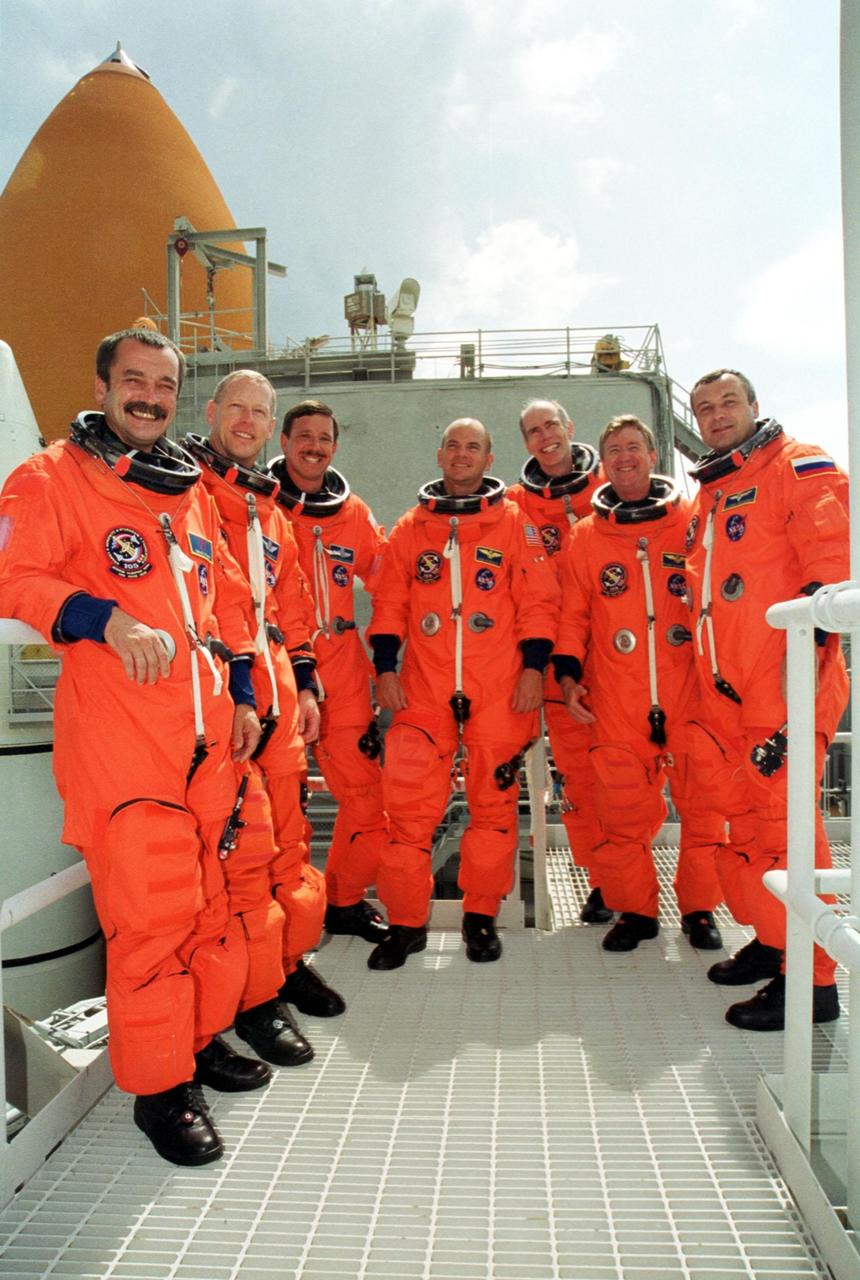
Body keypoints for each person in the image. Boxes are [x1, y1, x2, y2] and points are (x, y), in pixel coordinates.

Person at [0, 329, 273, 1167]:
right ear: (102, 382)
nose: (149, 395)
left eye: (163, 383)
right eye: (134, 380)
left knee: (214, 905)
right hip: (126, 749)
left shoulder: (185, 496)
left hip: (205, 744)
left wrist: (244, 693)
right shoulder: (51, 478)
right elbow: (13, 577)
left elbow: (227, 604)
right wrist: (101, 616)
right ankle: (160, 1090)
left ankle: (197, 1037)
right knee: (153, 917)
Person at [187, 371, 346, 1071]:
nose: (247, 421)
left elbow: (290, 608)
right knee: (237, 862)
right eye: (237, 409)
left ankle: (284, 964)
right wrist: (246, 690)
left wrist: (305, 684)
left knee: (289, 845)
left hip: (280, 702)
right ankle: (250, 1001)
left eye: (260, 411)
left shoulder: (269, 511)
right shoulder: (185, 493)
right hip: (223, 702)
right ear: (212, 412)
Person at [685, 369, 849, 1030]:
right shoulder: (714, 494)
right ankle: (779, 945)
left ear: (755, 406)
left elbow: (829, 573)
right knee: (749, 831)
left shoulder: (798, 466)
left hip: (783, 688)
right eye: (704, 408)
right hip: (730, 695)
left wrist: (796, 687)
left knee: (787, 834)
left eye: (729, 402)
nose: (716, 415)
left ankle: (813, 984)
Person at [366, 417, 559, 969]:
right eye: (453, 445)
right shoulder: (411, 528)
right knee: (405, 813)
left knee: (494, 812)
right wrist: (385, 668)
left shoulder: (514, 526)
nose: (461, 454)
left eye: (473, 446)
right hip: (423, 691)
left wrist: (532, 671)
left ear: (488, 459)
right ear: (439, 455)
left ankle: (480, 917)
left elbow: (539, 604)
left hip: (498, 689)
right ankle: (406, 925)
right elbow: (389, 606)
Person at [554, 415, 725, 953]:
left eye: (634, 447)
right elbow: (574, 613)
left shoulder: (691, 519)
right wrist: (568, 674)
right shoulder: (587, 534)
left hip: (689, 691)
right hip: (618, 694)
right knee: (621, 810)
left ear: (653, 456)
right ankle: (635, 910)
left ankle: (698, 909)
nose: (624, 457)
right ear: (603, 464)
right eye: (613, 450)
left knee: (703, 806)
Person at [267, 400, 390, 945]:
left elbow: (388, 578)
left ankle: (342, 900)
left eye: (323, 438)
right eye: (304, 436)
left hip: (341, 669)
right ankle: (283, 918)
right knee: (281, 805)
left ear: (333, 447)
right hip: (280, 670)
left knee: (367, 796)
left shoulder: (353, 514)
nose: (314, 446)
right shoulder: (258, 504)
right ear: (285, 440)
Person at [506, 398, 609, 924]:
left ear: (570, 427)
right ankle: (603, 882)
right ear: (524, 443)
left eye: (551, 425)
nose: (545, 436)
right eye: (532, 431)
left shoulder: (613, 483)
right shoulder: (516, 506)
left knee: (628, 777)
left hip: (617, 659)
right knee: (577, 781)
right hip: (552, 664)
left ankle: (633, 881)